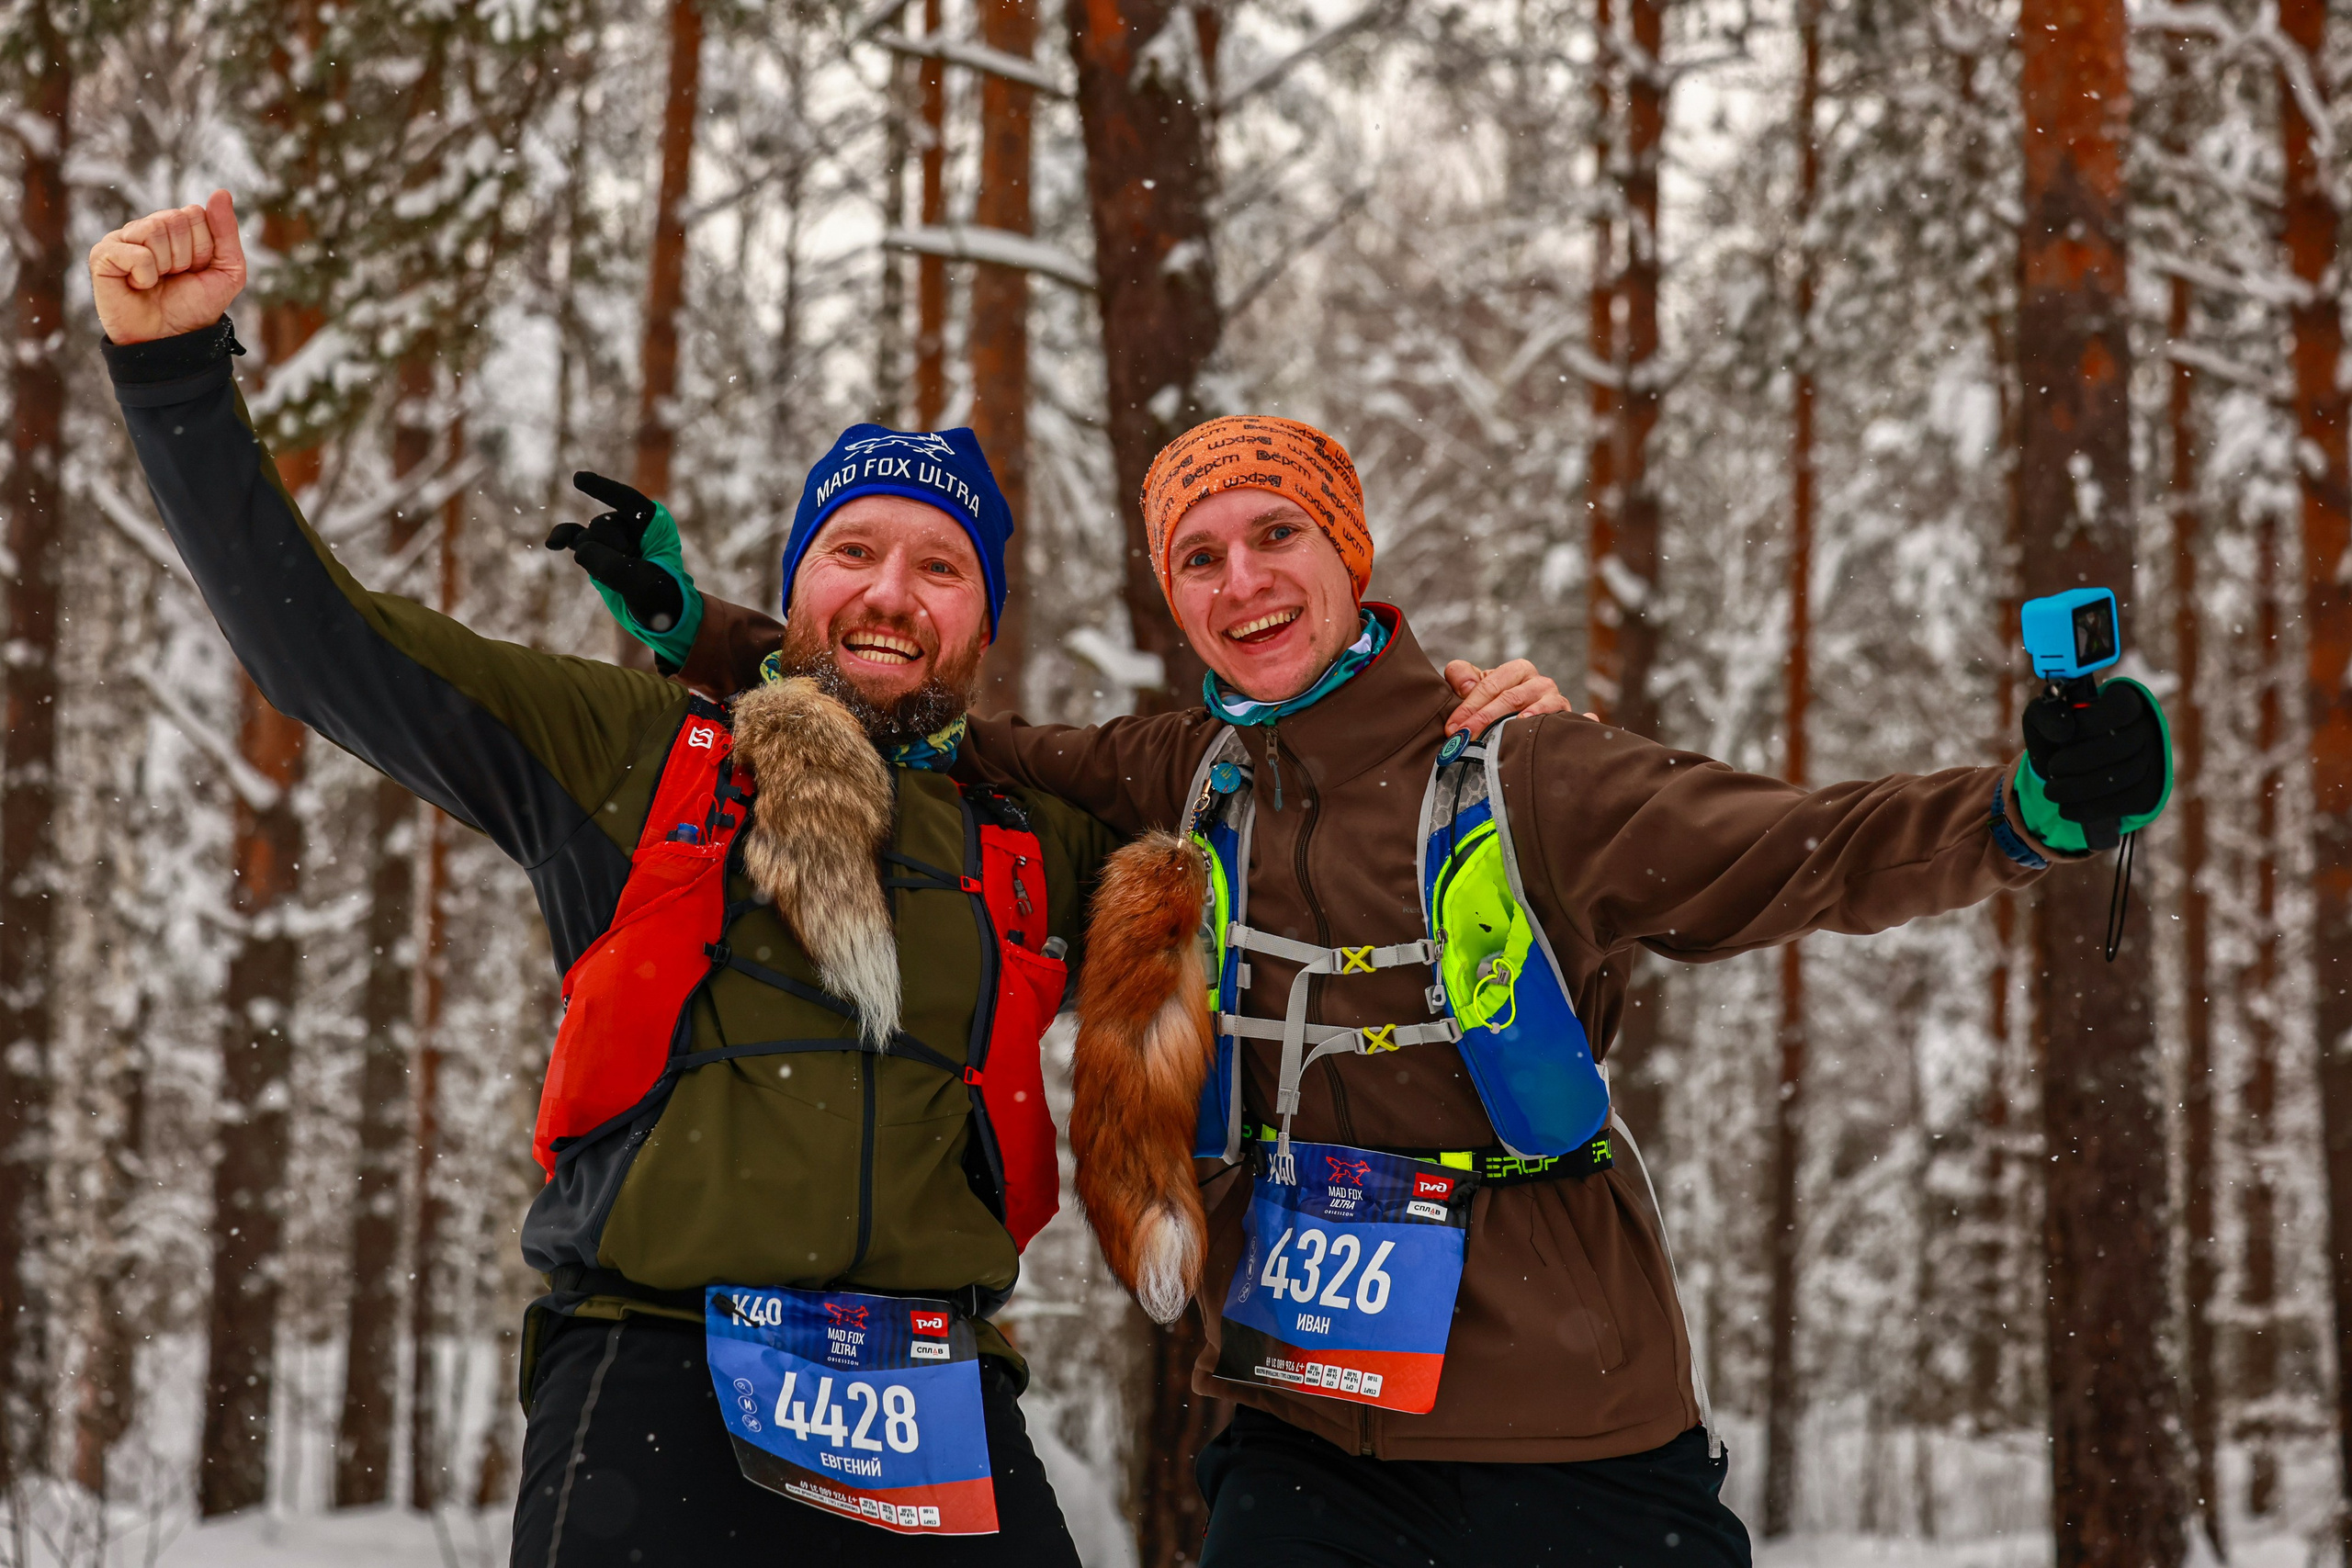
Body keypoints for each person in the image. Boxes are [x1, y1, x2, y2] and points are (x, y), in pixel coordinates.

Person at [582, 416, 2170, 1566]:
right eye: (1200, 557)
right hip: (1300, 1452)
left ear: (1349, 554)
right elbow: (920, 703)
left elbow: (1787, 849)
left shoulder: (1519, 768)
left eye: (1278, 535)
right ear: (1174, 599)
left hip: (1577, 1438)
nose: (1244, 580)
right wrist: (699, 631)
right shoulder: (1177, 771)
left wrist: (2018, 814)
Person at [93, 191, 1118, 1566]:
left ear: (984, 618)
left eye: (941, 566)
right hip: (655, 1379)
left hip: (936, 1402)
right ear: (797, 587)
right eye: (853, 551)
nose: (891, 593)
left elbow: (1287, 860)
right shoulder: (649, 757)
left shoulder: (1034, 834)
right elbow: (326, 650)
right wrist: (174, 378)